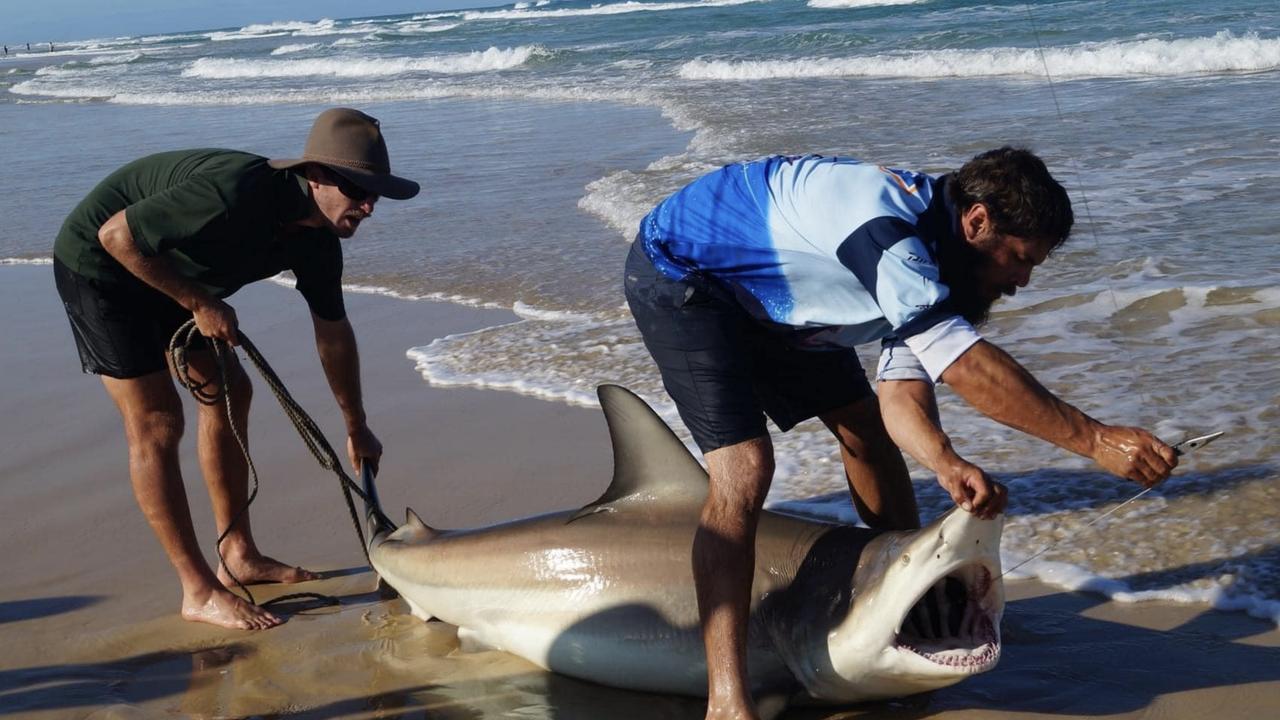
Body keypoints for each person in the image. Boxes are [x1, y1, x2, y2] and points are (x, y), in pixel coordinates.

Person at [623, 148, 1178, 718]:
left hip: (778, 300)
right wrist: (1095, 440)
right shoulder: (888, 235)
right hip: (685, 274)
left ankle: (908, 604)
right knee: (745, 467)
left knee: (865, 428)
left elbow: (900, 394)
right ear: (978, 221)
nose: (1022, 280)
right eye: (1018, 258)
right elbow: (962, 366)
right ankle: (726, 698)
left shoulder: (939, 264)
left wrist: (944, 461)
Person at [52, 107, 420, 630]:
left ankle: (237, 555)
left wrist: (356, 425)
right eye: (358, 190)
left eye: (375, 193)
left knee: (230, 390)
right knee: (157, 421)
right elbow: (117, 237)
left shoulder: (317, 240)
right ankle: (197, 590)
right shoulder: (233, 194)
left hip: (165, 270)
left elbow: (333, 333)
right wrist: (199, 302)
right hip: (100, 266)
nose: (368, 206)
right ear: (315, 176)